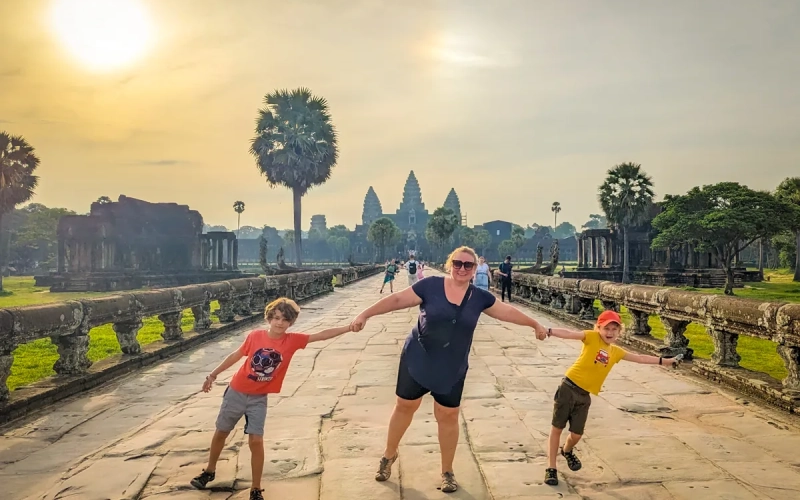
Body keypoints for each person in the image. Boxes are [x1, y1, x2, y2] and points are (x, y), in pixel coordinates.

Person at [350, 246, 548, 493]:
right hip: (419, 356)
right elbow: (398, 299)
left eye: (468, 265)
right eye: (457, 263)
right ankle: (388, 456)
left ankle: (447, 470)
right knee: (405, 406)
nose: (462, 268)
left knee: (448, 415)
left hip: (452, 365)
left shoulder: (479, 297)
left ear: (475, 269)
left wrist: (534, 324)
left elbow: (506, 312)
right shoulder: (430, 286)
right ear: (449, 264)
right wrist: (365, 314)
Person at [191, 298, 352, 500]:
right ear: (269, 318)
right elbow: (236, 355)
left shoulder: (291, 341)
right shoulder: (255, 336)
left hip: (258, 398)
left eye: (285, 320)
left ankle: (256, 488)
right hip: (236, 392)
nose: (279, 323)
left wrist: (348, 327)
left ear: (291, 323)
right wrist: (212, 375)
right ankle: (209, 470)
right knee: (221, 432)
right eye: (276, 318)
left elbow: (319, 336)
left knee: (256, 441)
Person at [542, 310, 682, 487]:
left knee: (576, 434)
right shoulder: (591, 337)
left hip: (584, 396)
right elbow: (570, 334)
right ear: (598, 328)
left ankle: (567, 450)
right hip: (568, 388)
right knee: (557, 428)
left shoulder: (615, 351)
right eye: (606, 328)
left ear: (619, 332)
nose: (610, 332)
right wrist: (549, 330)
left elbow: (639, 358)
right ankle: (551, 468)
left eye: (614, 329)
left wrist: (665, 361)